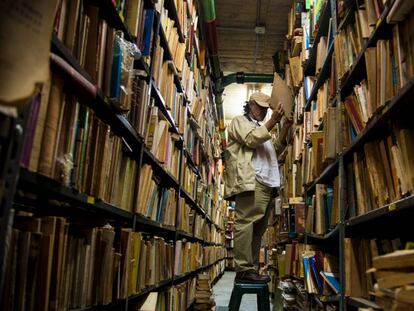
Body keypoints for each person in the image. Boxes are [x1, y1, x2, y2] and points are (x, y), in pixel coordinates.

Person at [224, 91, 292, 283]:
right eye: (260, 107)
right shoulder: (239, 122)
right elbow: (251, 139)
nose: (263, 112)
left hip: (267, 184)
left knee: (258, 230)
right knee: (246, 224)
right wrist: (273, 122)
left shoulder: (260, 127)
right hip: (252, 182)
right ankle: (244, 269)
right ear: (251, 104)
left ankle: (251, 268)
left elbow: (274, 150)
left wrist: (285, 127)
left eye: (265, 109)